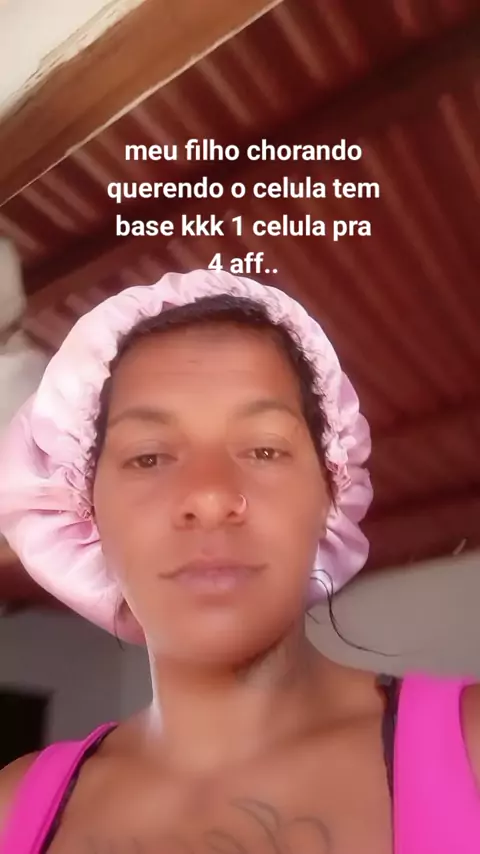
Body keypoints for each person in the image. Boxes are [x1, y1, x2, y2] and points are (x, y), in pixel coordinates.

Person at [0, 270, 478, 853]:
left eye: (264, 449)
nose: (209, 496)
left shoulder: (473, 749)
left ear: (331, 492)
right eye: (148, 457)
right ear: (84, 508)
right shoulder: (10, 807)